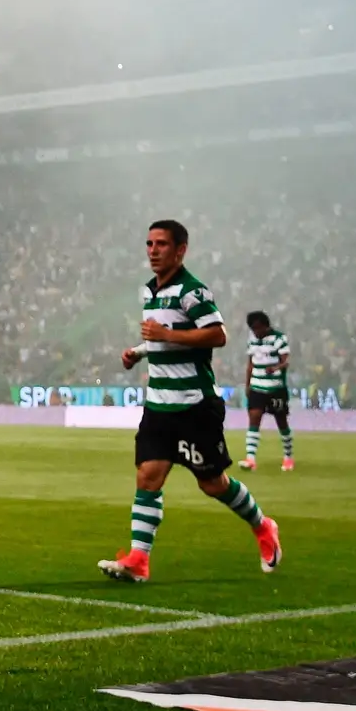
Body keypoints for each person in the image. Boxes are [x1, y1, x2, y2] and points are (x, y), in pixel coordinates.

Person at [98, 220, 282, 584]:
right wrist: (138, 352)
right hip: (159, 404)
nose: (153, 250)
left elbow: (218, 334)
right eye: (149, 243)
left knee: (212, 483)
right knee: (148, 477)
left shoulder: (193, 292)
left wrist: (166, 333)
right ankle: (138, 560)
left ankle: (263, 527)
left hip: (194, 405)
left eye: (161, 244)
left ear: (180, 250)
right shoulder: (149, 292)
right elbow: (160, 339)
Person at [241, 312, 293, 472]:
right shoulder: (252, 340)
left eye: (258, 328)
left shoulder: (279, 338)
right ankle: (250, 459)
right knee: (254, 418)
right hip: (257, 386)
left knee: (281, 421)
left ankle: (288, 457)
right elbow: (250, 363)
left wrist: (275, 368)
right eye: (253, 329)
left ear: (266, 325)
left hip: (275, 387)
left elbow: (286, 362)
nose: (256, 332)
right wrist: (247, 384)